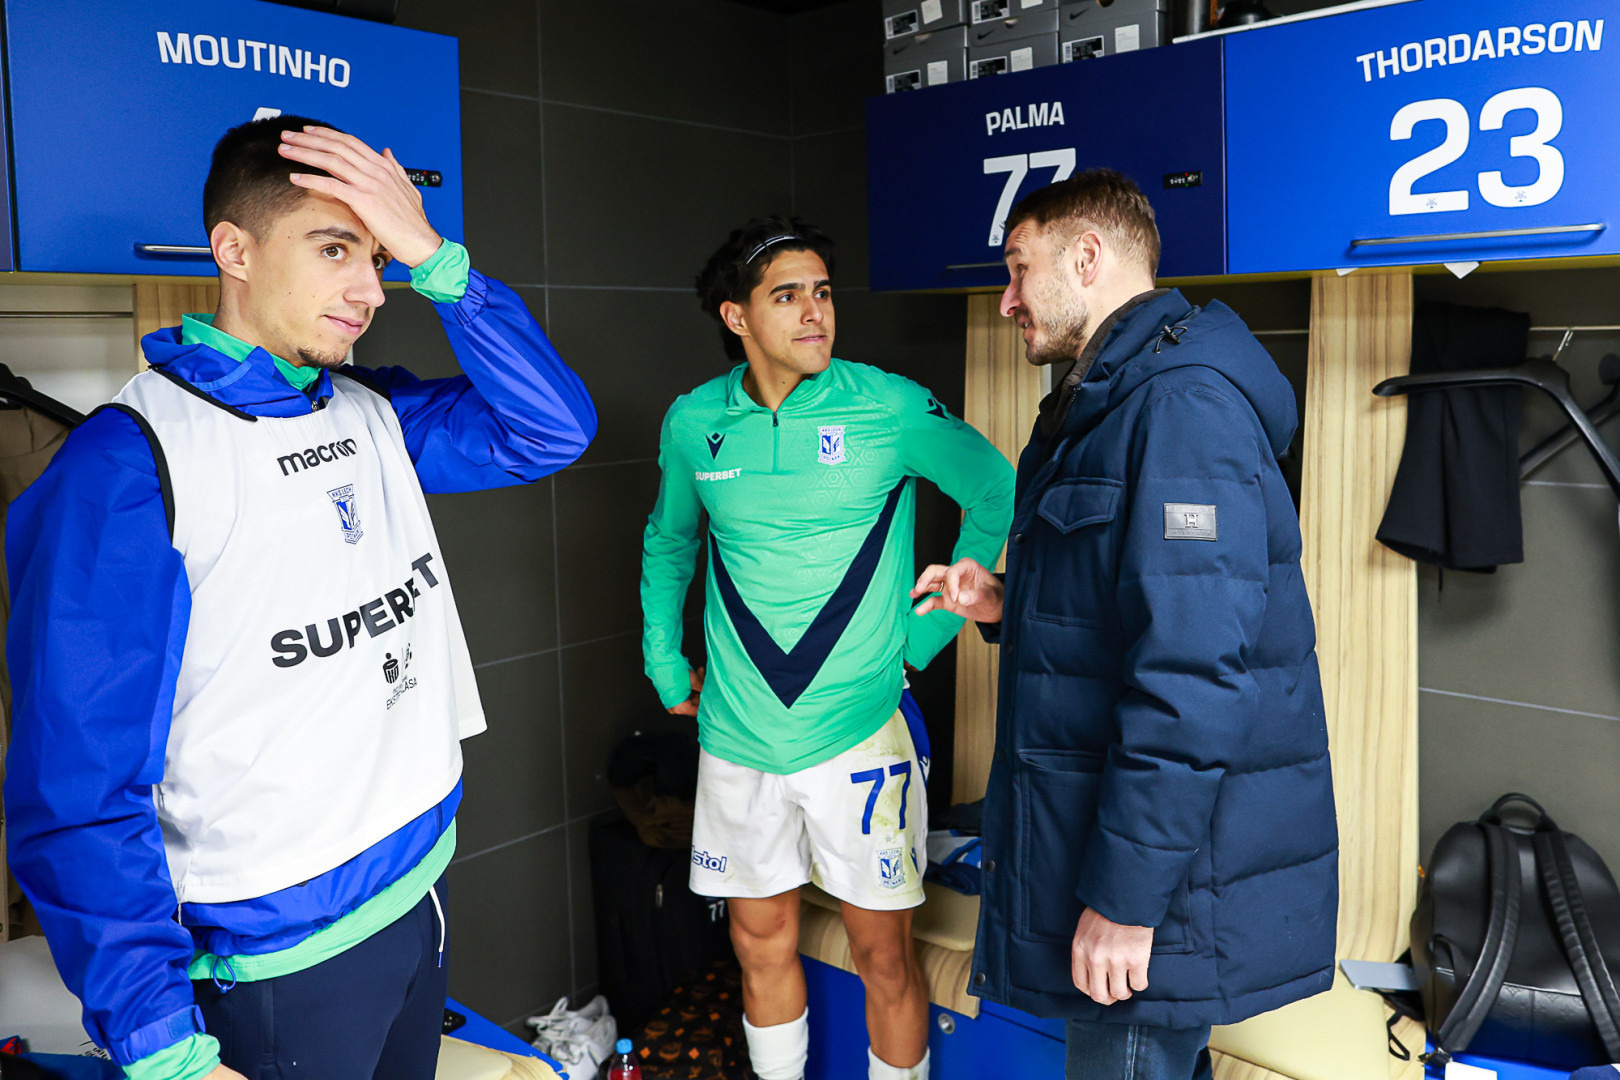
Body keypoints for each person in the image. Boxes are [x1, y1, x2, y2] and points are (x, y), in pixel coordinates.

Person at [3, 116, 596, 1080]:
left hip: (418, 895)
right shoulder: (127, 465)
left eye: (378, 258)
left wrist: (438, 259)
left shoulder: (369, 407)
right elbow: (76, 786)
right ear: (234, 251)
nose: (371, 291)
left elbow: (551, 429)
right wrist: (159, 1042)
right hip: (275, 966)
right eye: (333, 250)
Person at [913, 169, 1337, 1079]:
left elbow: (1191, 677)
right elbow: (1131, 607)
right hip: (1124, 857)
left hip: (1161, 891)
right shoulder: (1113, 398)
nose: (1007, 300)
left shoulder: (1181, 409)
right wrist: (1004, 600)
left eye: (1019, 269)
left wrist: (1126, 900)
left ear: (1088, 256)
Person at [640, 217, 1015, 1080]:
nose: (815, 312)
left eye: (823, 292)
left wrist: (923, 636)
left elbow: (996, 488)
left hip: (858, 732)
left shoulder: (886, 405)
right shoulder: (695, 420)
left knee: (884, 955)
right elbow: (670, 542)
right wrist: (664, 662)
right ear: (737, 316)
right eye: (787, 296)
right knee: (758, 942)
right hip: (737, 733)